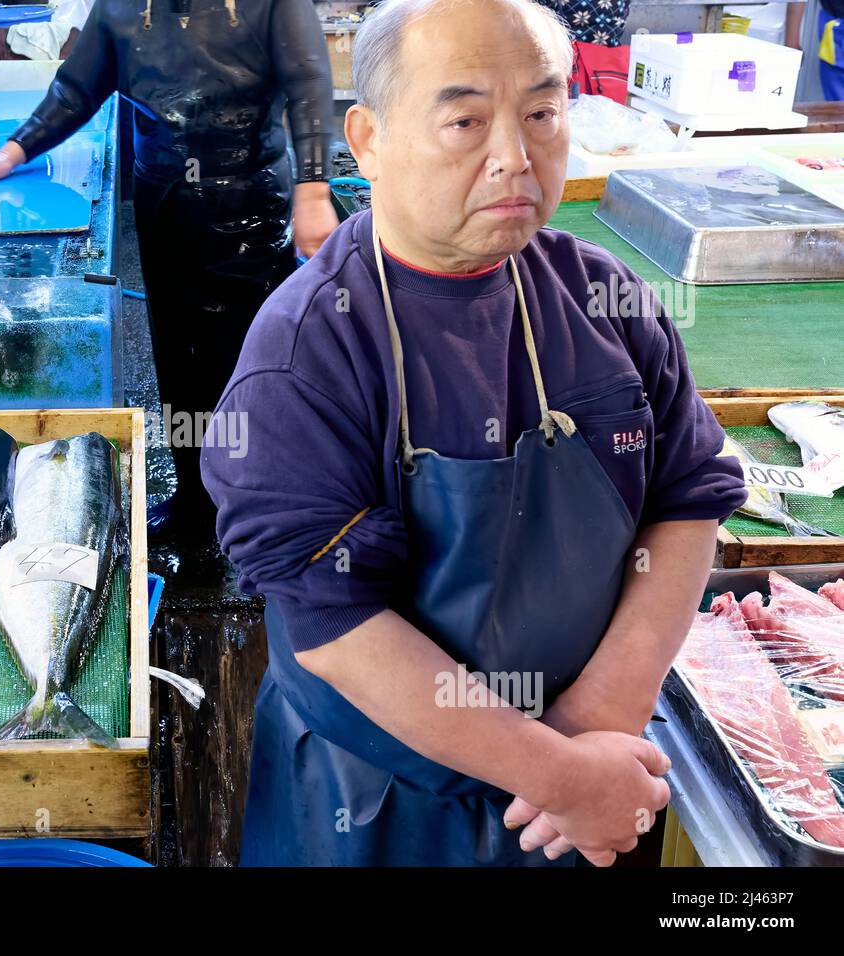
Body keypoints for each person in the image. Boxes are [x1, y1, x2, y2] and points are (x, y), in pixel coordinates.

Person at [200, 0, 748, 866]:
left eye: (541, 113)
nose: (515, 157)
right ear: (368, 139)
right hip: (379, 810)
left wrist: (594, 724)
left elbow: (689, 496)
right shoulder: (308, 353)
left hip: (590, 792)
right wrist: (558, 774)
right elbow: (341, 629)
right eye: (464, 120)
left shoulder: (603, 298)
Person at [0, 0, 339, 537]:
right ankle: (197, 500)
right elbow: (76, 88)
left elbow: (309, 81)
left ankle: (261, 499)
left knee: (247, 361)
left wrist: (313, 187)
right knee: (177, 358)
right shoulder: (121, 6)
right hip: (163, 204)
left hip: (249, 208)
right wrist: (15, 150)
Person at [788, 1, 844, 100]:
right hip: (836, 29)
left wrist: (791, 43)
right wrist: (791, 43)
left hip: (836, 29)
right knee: (838, 105)